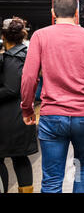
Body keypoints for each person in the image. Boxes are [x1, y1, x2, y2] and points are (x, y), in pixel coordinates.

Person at [20, 0, 84, 193]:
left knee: (52, 178)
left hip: (53, 118)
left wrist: (27, 109)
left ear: (53, 12)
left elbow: (29, 77)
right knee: (83, 165)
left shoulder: (40, 36)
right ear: (77, 13)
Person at [0, 17, 38, 193]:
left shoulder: (12, 58)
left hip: (9, 117)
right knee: (20, 158)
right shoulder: (27, 54)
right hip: (23, 113)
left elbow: (10, 89)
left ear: (4, 36)